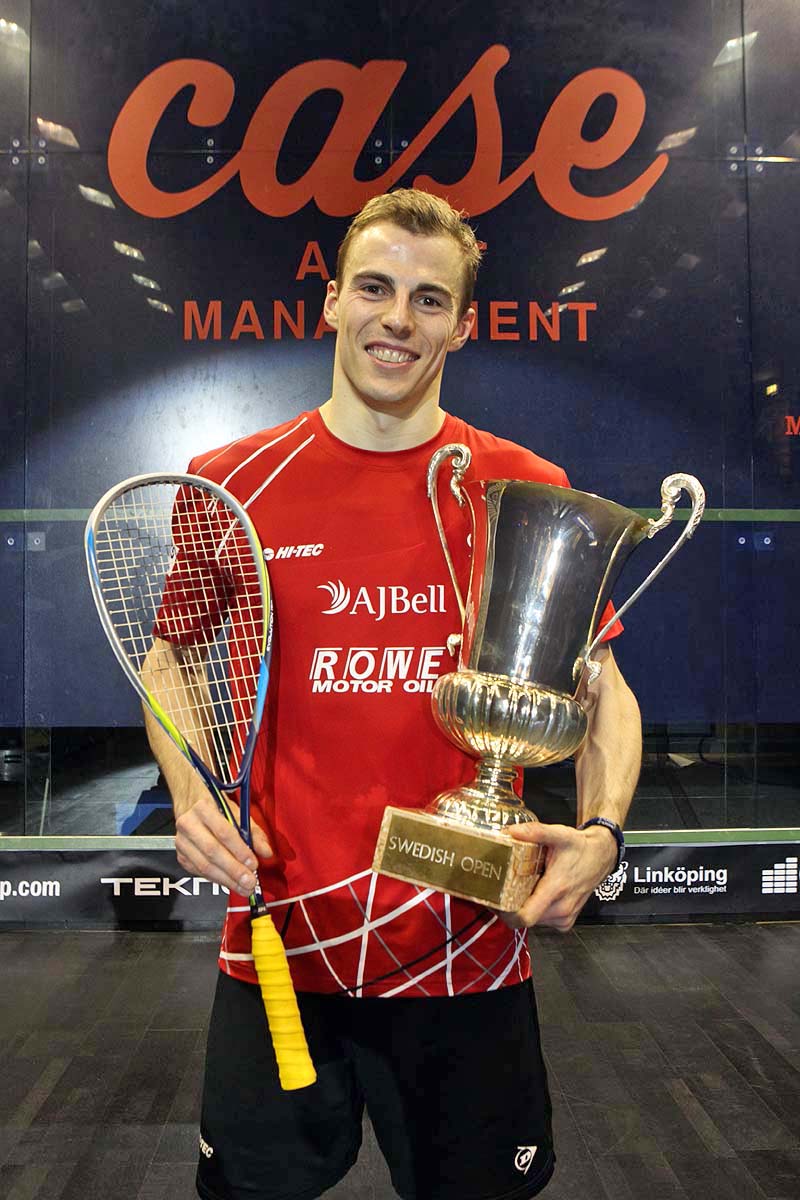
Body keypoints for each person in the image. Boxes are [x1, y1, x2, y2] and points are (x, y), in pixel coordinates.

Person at [145, 189, 642, 1200]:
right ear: (331, 301)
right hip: (281, 937)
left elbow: (601, 687)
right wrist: (193, 798)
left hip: (466, 946)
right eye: (374, 289)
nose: (397, 319)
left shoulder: (520, 484)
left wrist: (602, 832)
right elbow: (170, 659)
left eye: (428, 299)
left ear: (462, 326)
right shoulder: (230, 482)